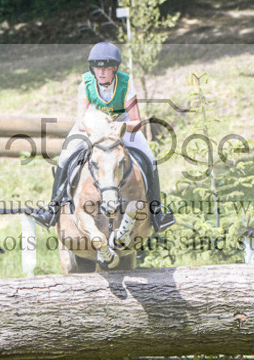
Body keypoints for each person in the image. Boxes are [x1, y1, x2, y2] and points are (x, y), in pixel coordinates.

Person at [32, 41, 175, 231]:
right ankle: (53, 207)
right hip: (91, 125)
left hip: (122, 125)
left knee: (149, 157)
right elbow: (82, 120)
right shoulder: (86, 83)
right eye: (97, 68)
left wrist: (119, 125)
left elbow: (136, 122)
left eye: (106, 68)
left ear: (115, 68)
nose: (101, 72)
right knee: (66, 156)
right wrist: (99, 127)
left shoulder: (125, 84)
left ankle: (157, 212)